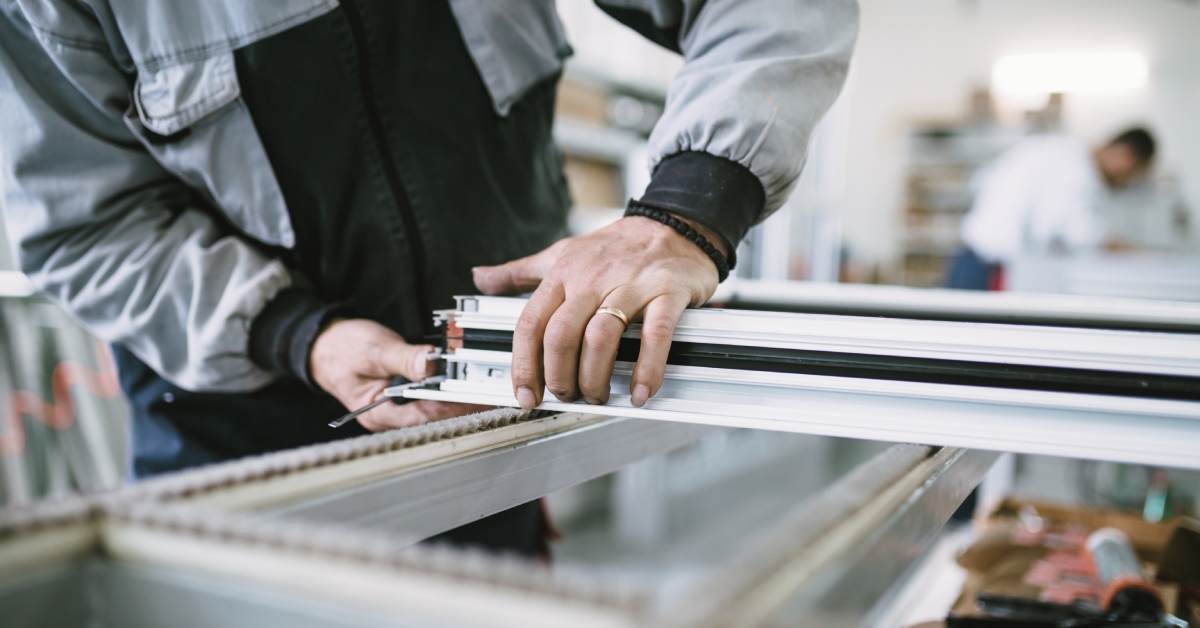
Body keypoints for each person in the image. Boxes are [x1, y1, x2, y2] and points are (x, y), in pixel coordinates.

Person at [0, 2, 856, 554]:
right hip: (237, 464)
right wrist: (301, 333)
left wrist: (689, 208)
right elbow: (88, 222)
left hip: (487, 438)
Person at [946, 128, 1157, 290]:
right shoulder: (1076, 170)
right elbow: (1081, 233)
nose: (1129, 181)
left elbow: (983, 180)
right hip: (990, 267)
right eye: (1134, 173)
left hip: (975, 256)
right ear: (1123, 156)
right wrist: (1139, 255)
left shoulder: (1061, 149)